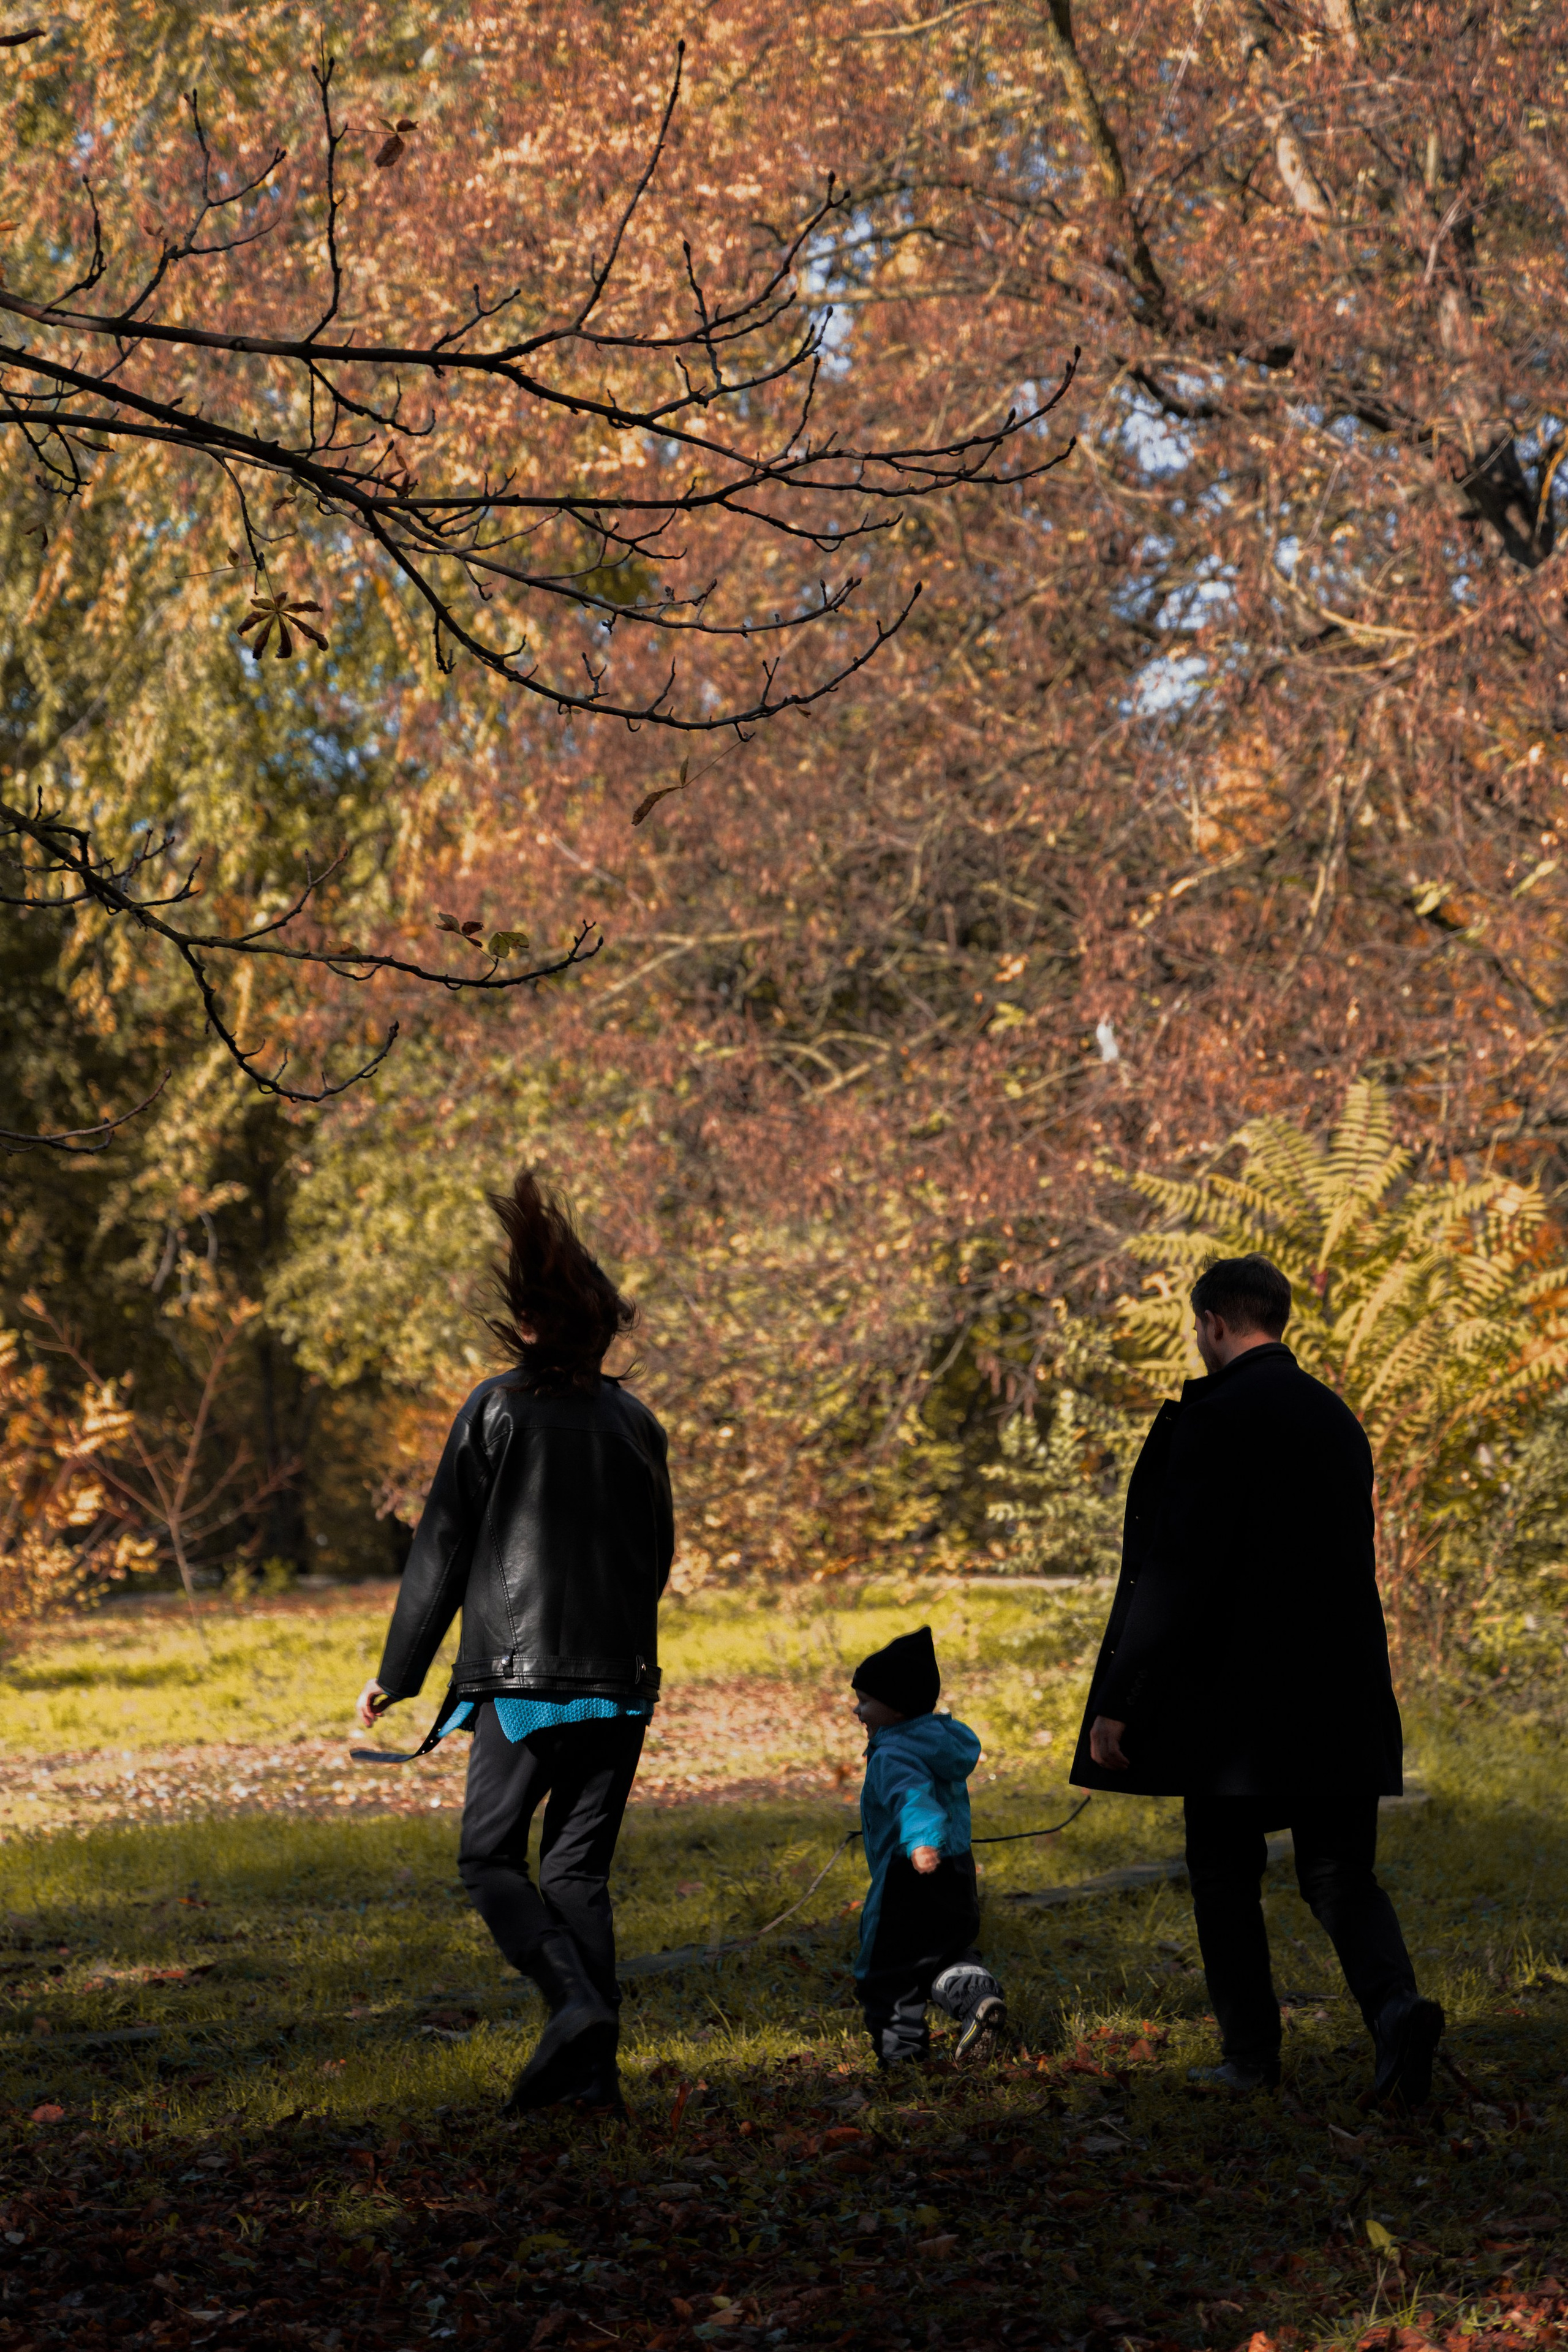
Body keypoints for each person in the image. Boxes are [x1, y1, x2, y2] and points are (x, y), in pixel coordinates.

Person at [1068, 1251, 1443, 2103]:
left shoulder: (1215, 1419)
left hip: (1235, 1712)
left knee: (1224, 1871)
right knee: (1341, 1873)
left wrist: (1122, 1702)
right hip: (1342, 1693)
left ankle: (1250, 2058)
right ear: (1278, 1318)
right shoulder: (1335, 1416)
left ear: (1211, 1324)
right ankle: (1395, 2012)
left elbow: (1178, 1573)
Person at [353, 1170, 673, 2119]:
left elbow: (442, 1548)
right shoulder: (637, 1424)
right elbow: (655, 1557)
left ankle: (572, 2005)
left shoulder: (493, 1409)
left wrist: (396, 1675)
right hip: (621, 1687)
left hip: (525, 1689)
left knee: (489, 1860)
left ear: (528, 1323)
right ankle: (595, 2086)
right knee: (577, 1872)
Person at [851, 1627, 1008, 2069]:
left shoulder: (894, 1752)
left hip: (911, 1870)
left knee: (886, 1968)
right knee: (944, 1948)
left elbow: (913, 1797)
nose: (857, 1710)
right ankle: (976, 1996)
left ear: (896, 1707)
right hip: (956, 1868)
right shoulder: (937, 1739)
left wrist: (920, 1842)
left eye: (865, 1701)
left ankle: (902, 2060)